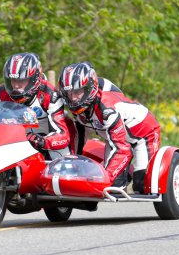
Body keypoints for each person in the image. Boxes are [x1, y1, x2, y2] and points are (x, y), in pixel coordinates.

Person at [58, 62, 160, 193]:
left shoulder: (107, 110)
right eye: (68, 93)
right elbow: (78, 143)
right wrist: (72, 169)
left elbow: (122, 149)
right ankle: (127, 171)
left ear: (89, 88)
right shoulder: (78, 111)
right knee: (114, 189)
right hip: (114, 139)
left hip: (142, 135)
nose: (73, 99)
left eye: (77, 92)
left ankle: (135, 172)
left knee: (143, 186)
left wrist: (106, 178)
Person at [0, 52, 70, 159]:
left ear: (35, 79)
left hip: (44, 145)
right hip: (12, 145)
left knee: (61, 157)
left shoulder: (50, 95)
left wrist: (42, 141)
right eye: (13, 80)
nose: (16, 86)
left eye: (21, 80)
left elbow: (62, 135)